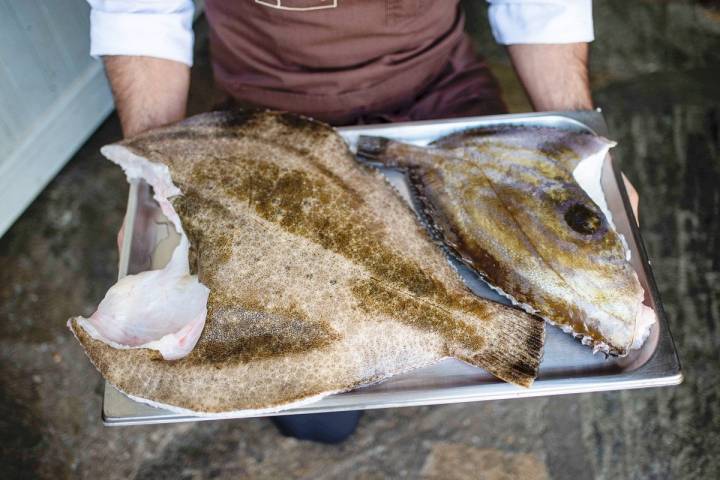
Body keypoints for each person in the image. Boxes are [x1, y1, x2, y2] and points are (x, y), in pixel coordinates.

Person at [87, 0, 637, 443]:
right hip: (264, 129)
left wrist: (582, 162)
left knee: (490, 352)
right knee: (319, 419)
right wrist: (150, 180)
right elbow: (140, 13)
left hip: (439, 100)